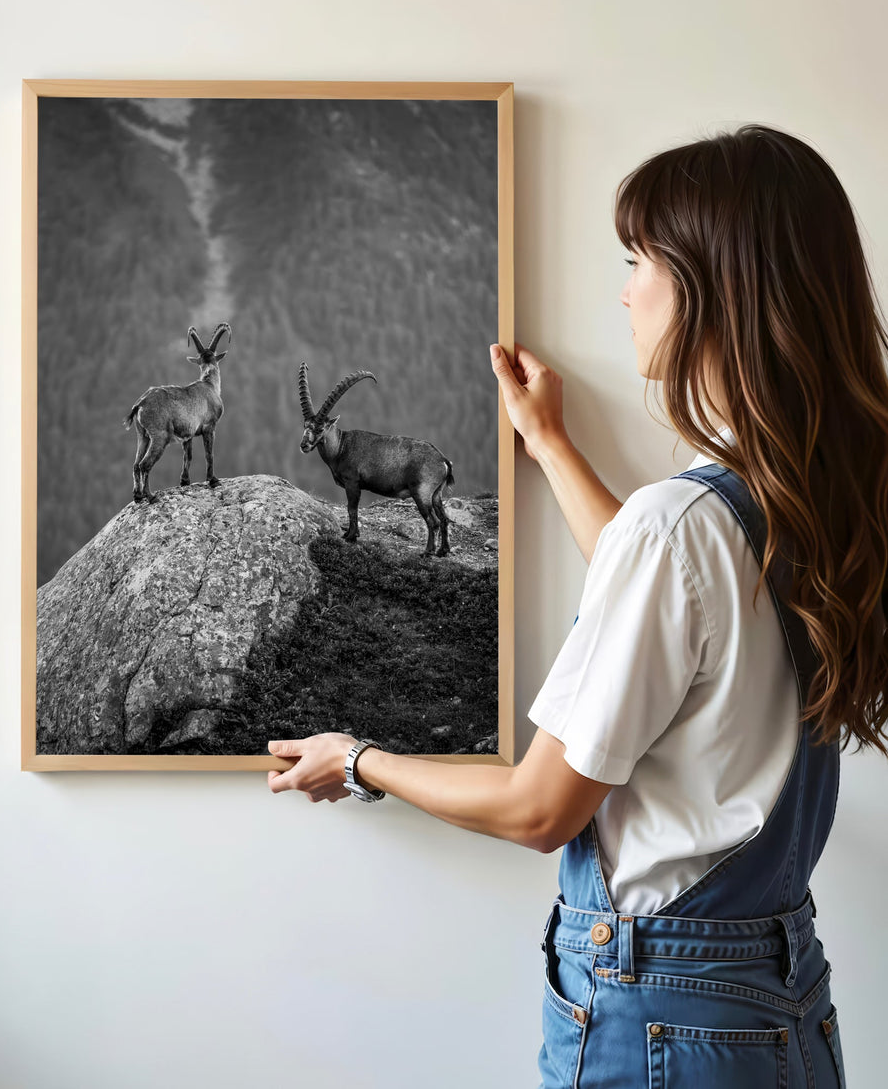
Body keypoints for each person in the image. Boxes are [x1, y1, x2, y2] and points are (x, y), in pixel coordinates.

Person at [265, 123, 888, 1087]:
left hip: (661, 1020)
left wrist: (357, 759)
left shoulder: (682, 526)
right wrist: (550, 444)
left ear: (713, 290)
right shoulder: (804, 498)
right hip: (777, 1004)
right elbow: (675, 611)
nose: (626, 288)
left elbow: (537, 807)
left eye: (640, 260)